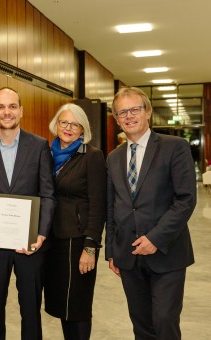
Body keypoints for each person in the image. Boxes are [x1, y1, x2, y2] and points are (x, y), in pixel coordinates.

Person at [106, 86, 196, 339]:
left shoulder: (174, 147)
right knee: (141, 324)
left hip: (167, 252)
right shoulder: (113, 158)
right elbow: (112, 207)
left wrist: (155, 238)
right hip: (128, 255)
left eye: (135, 109)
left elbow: (185, 200)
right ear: (116, 119)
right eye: (122, 112)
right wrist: (112, 250)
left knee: (165, 321)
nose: (129, 116)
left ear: (148, 113)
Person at [0, 87, 55, 340]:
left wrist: (41, 233)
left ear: (21, 110)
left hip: (29, 243)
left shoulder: (39, 146)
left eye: (12, 106)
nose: (6, 112)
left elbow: (48, 193)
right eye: (0, 107)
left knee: (31, 308)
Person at [43, 103, 106, 340]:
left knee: (77, 306)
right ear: (56, 125)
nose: (68, 128)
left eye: (75, 124)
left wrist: (90, 247)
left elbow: (98, 204)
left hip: (78, 241)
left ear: (83, 129)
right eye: (64, 122)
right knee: (62, 304)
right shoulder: (47, 153)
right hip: (51, 239)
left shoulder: (92, 156)